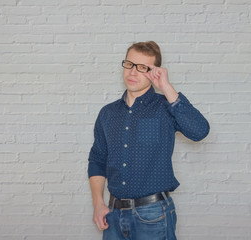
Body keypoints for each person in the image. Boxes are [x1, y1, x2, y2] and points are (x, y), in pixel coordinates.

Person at [87, 41, 210, 239]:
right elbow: (97, 159)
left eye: (143, 68)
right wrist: (98, 204)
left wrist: (166, 86)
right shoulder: (107, 113)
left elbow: (200, 131)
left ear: (155, 72)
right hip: (113, 216)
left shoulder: (165, 107)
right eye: (129, 64)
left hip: (153, 215)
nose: (133, 73)